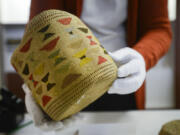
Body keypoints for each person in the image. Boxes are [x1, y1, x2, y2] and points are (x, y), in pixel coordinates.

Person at [23, 0, 172, 131]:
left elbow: (158, 27)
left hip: (121, 76)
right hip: (68, 79)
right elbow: (39, 26)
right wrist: (36, 82)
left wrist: (142, 56)